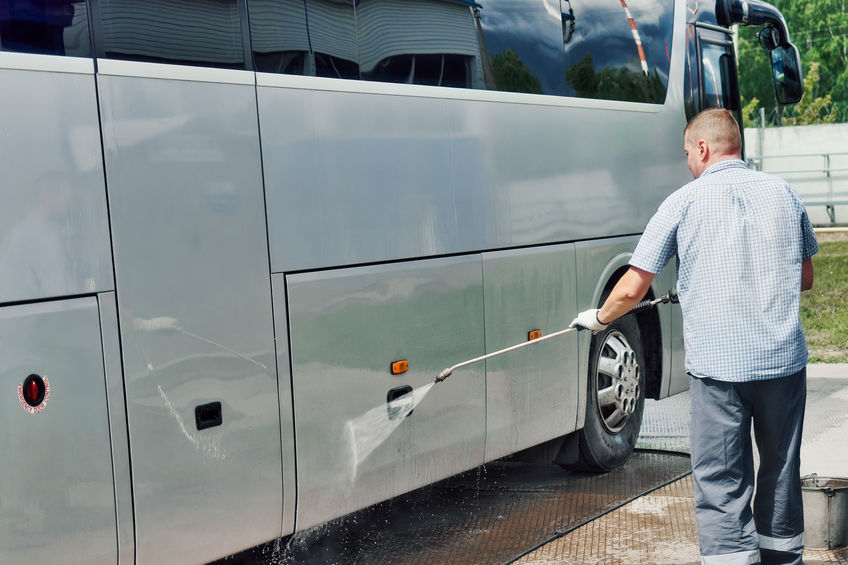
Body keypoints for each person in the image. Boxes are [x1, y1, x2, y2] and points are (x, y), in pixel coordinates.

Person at [570, 108, 817, 565]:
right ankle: (784, 557)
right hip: (782, 364)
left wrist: (599, 319)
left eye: (687, 153)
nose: (687, 162)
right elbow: (804, 278)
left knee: (722, 477)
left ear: (703, 148)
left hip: (719, 369)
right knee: (781, 469)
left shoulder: (682, 203)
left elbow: (631, 287)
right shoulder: (786, 195)